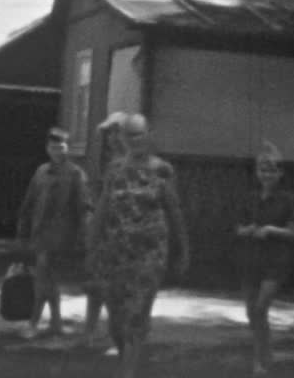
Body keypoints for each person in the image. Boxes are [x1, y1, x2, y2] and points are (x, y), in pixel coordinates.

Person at [86, 113, 189, 378]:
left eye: (139, 134)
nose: (134, 140)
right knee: (115, 323)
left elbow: (174, 212)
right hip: (115, 254)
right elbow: (102, 209)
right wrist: (91, 247)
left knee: (136, 315)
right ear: (123, 138)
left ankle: (127, 373)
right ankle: (127, 359)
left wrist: (183, 251)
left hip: (150, 255)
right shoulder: (114, 170)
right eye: (129, 135)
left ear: (149, 135)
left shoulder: (162, 170)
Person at [16, 127, 93, 339]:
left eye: (61, 147)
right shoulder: (41, 172)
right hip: (40, 233)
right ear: (47, 148)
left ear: (67, 148)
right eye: (53, 147)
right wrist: (22, 229)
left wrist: (84, 237)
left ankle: (33, 324)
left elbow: (84, 207)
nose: (57, 151)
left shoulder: (76, 174)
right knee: (48, 280)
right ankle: (56, 324)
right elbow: (29, 202)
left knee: (44, 279)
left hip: (62, 236)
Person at [234, 141, 294, 376]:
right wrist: (249, 230)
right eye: (263, 169)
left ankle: (260, 359)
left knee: (261, 307)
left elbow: (293, 233)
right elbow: (237, 229)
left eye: (272, 170)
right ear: (257, 172)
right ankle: (263, 352)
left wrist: (271, 230)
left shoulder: (287, 199)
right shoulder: (249, 198)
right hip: (251, 258)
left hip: (275, 260)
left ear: (280, 173)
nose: (267, 174)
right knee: (252, 312)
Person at [82, 111, 129, 345]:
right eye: (109, 134)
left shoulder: (136, 163)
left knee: (118, 290)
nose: (112, 138)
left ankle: (117, 337)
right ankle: (90, 332)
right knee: (97, 284)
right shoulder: (110, 163)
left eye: (116, 132)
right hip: (106, 233)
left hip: (128, 235)